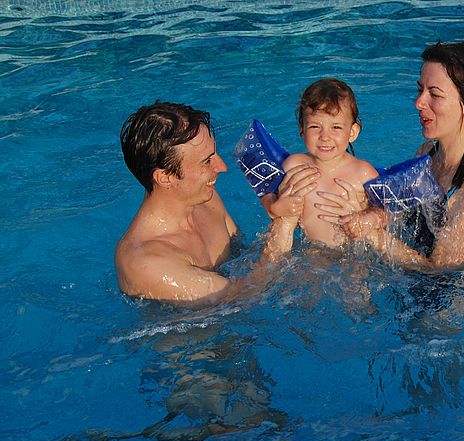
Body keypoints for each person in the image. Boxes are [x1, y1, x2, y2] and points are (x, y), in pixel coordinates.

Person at [316, 42, 464, 270]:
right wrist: (365, 213)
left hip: (458, 301)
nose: (419, 103)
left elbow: (442, 272)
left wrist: (373, 236)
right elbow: (397, 210)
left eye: (434, 94)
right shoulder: (427, 154)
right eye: (420, 90)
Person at [116, 101, 318, 305]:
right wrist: (284, 223)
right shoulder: (145, 264)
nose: (221, 167)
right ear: (166, 177)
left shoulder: (205, 199)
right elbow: (242, 298)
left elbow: (246, 259)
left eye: (214, 154)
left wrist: (279, 206)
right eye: (207, 161)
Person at [270, 78, 378, 249]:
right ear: (302, 129)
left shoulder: (363, 172)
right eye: (315, 127)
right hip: (312, 255)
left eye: (336, 127)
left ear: (352, 132)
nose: (325, 137)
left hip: (354, 257)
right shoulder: (293, 166)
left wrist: (367, 219)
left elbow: (388, 211)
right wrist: (276, 209)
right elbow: (270, 200)